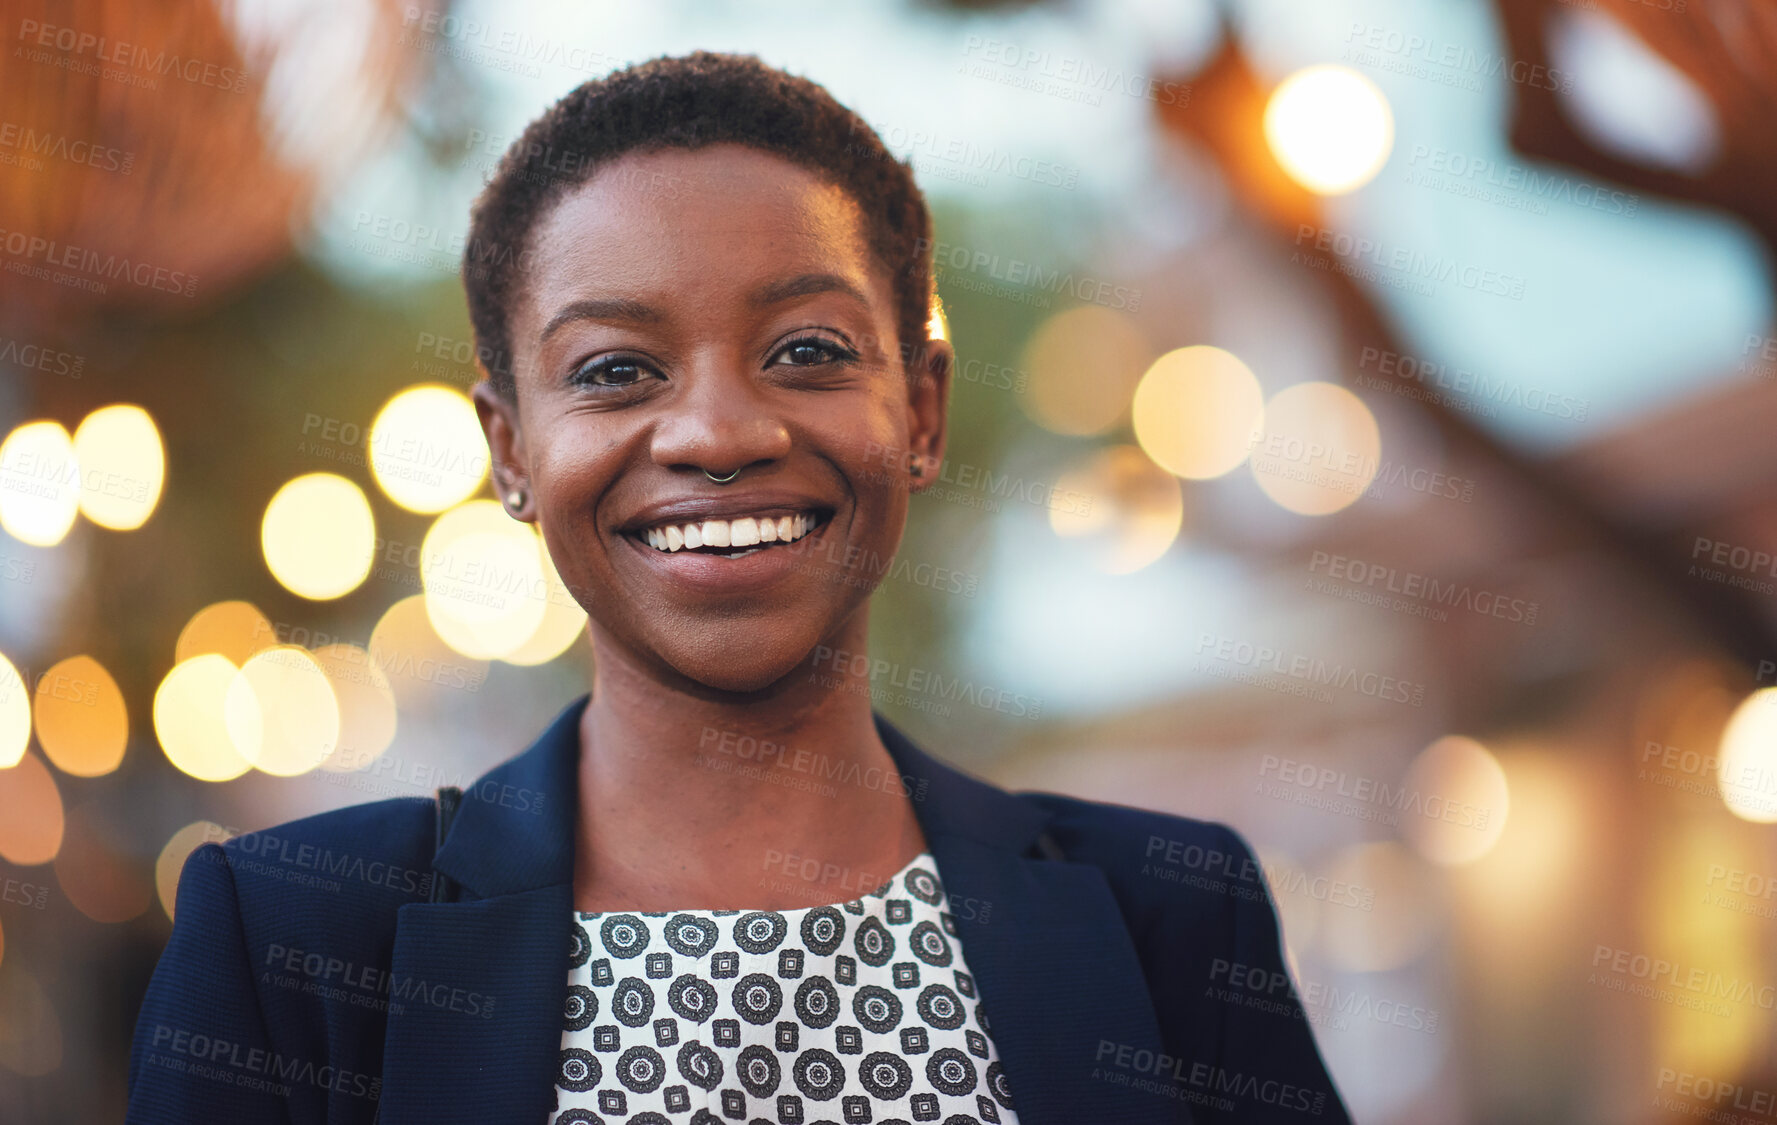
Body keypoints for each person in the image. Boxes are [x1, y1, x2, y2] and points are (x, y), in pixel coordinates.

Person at [127, 51, 1350, 1125]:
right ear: (509, 452)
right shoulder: (295, 945)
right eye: (614, 370)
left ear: (920, 410)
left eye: (806, 351)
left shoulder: (1170, 921)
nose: (715, 430)